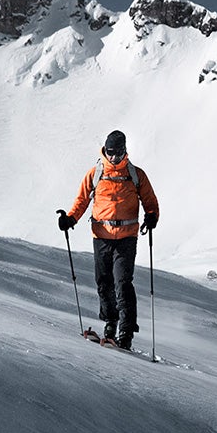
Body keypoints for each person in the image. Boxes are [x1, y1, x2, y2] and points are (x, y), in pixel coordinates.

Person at [58, 130, 159, 350]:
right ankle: (110, 323)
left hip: (126, 238)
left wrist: (152, 216)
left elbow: (150, 200)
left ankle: (126, 331)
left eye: (118, 152)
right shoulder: (95, 173)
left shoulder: (135, 175)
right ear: (105, 150)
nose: (114, 157)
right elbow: (82, 200)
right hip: (101, 237)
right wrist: (70, 218)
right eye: (110, 152)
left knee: (122, 283)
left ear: (125, 151)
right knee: (103, 283)